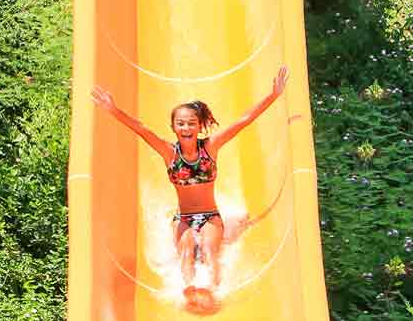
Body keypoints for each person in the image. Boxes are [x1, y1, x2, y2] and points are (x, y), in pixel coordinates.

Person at [92, 66, 289, 297]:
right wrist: (113, 110)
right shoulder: (169, 153)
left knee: (208, 251)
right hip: (183, 217)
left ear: (199, 126)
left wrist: (273, 96)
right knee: (186, 251)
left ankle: (212, 290)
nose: (186, 127)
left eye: (191, 123)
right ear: (174, 127)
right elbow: (141, 129)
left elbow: (243, 121)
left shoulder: (210, 147)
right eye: (181, 123)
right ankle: (188, 290)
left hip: (211, 216)